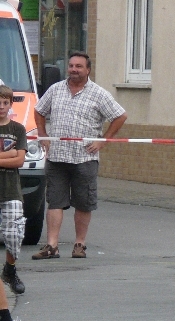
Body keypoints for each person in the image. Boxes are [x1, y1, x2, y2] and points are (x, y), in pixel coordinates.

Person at [32, 52, 127, 260]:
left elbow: (120, 116)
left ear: (88, 70)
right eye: (71, 66)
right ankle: (52, 245)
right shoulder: (55, 89)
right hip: (57, 156)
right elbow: (39, 110)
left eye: (79, 66)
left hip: (85, 158)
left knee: (83, 203)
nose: (74, 70)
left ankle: (79, 244)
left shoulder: (98, 94)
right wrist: (43, 134)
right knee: (55, 202)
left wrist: (103, 140)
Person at [0, 84, 27, 294]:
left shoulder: (18, 129)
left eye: (5, 103)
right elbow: (14, 156)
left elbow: (19, 160)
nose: (1, 106)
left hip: (10, 190)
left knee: (14, 234)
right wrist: (9, 154)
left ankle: (10, 269)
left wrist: (13, 157)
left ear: (10, 104)